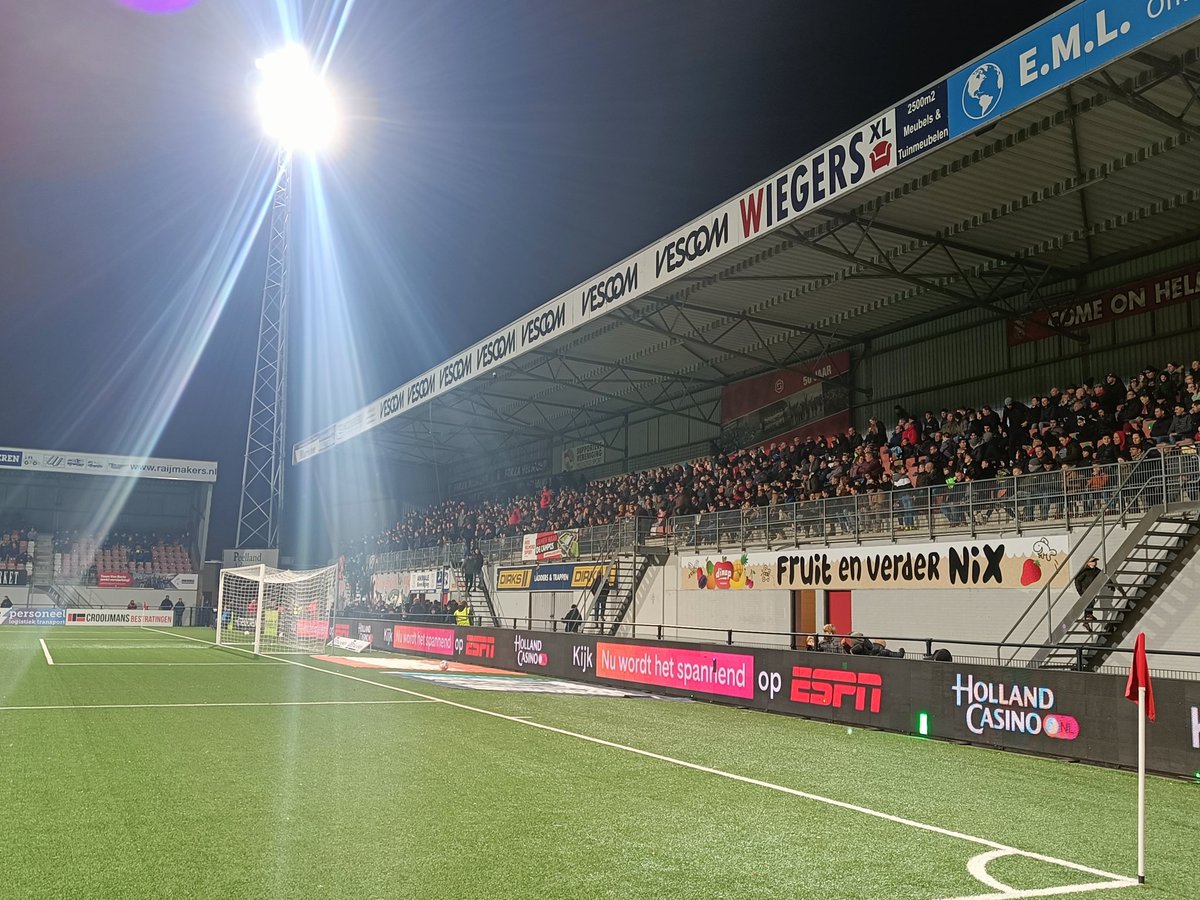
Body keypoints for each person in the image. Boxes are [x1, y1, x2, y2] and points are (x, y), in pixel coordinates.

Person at [1075, 557, 1103, 628]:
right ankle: (1088, 616)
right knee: (1090, 602)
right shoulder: (1085, 571)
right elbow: (1077, 580)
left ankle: (1087, 619)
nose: (1095, 562)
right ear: (1088, 563)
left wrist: (1110, 584)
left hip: (1092, 589)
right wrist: (1080, 590)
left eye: (1095, 561)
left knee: (1091, 602)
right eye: (1093, 561)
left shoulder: (1096, 570)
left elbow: (1104, 576)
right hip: (1085, 590)